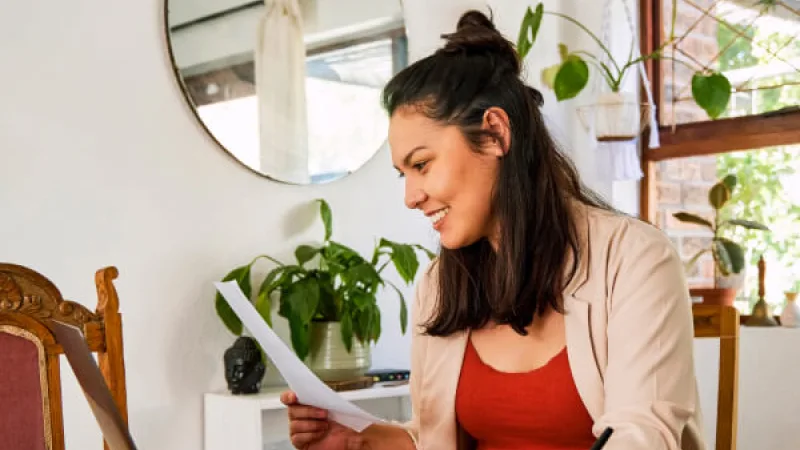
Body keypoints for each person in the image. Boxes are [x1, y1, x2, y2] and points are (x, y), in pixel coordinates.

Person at [281, 9, 705, 450]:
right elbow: (432, 438)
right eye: (403, 174)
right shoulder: (439, 286)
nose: (410, 196)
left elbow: (643, 436)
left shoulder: (635, 260)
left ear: (496, 134)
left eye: (422, 165)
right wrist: (357, 442)